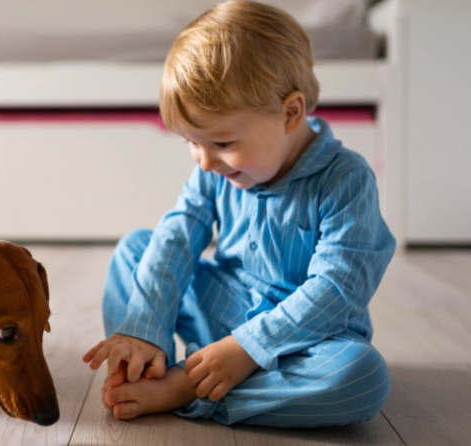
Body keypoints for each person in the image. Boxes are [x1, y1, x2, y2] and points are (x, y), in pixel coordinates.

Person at [82, 0, 396, 427]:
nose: (205, 161)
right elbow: (178, 236)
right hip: (223, 307)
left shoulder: (346, 179)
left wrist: (247, 348)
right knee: (136, 250)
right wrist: (143, 327)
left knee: (362, 376)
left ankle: (189, 386)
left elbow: (337, 290)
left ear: (290, 113)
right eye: (193, 143)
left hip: (300, 341)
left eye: (223, 144)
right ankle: (149, 364)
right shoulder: (214, 170)